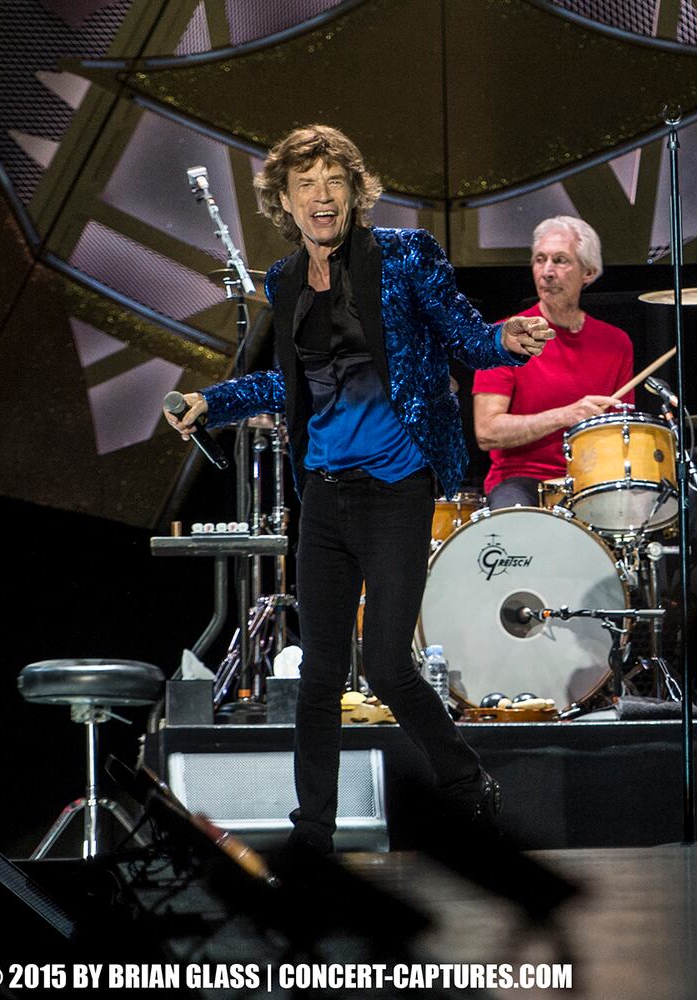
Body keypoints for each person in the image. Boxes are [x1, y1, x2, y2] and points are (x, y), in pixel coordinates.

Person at [163, 125, 553, 853]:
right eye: (305, 184)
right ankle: (312, 832)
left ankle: (466, 782)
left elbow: (465, 335)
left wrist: (504, 342)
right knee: (319, 675)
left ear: (354, 191)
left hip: (396, 486)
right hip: (324, 493)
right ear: (284, 201)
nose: (321, 196)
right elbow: (288, 383)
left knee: (388, 666)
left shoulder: (405, 256)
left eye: (333, 181)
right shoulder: (284, 281)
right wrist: (211, 402)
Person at [472, 216, 635, 507]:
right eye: (540, 260)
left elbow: (621, 431)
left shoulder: (616, 343)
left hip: (591, 481)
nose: (547, 272)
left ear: (589, 272)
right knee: (512, 512)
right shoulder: (504, 337)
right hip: (521, 481)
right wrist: (565, 416)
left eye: (560, 260)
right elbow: (487, 432)